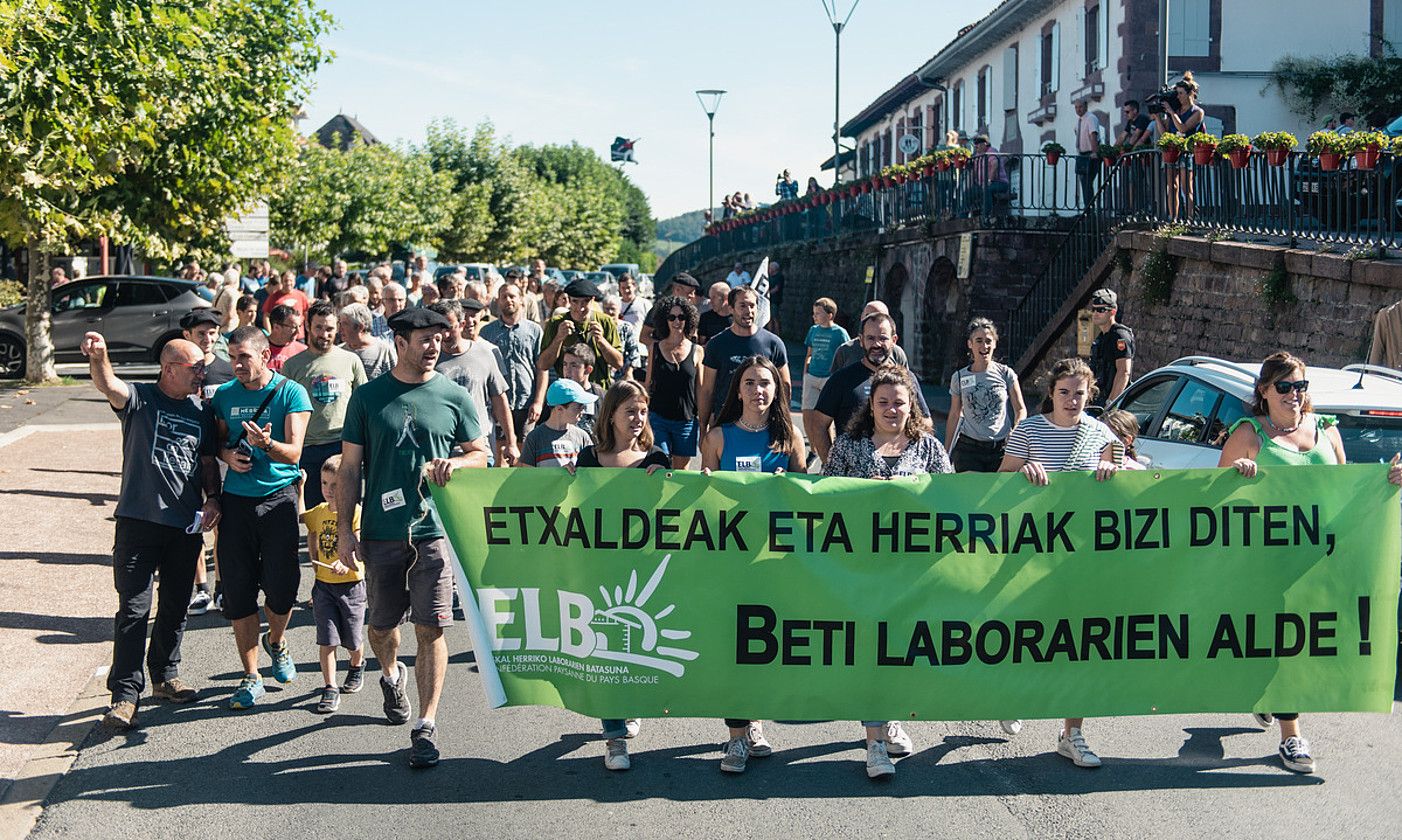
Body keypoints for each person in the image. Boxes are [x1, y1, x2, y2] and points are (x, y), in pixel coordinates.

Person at [1217, 351, 1402, 773]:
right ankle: (1292, 736)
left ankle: (1270, 696)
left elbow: (1345, 490)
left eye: (1301, 386)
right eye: (1285, 386)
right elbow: (1214, 501)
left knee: (1300, 644)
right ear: (1264, 391)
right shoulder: (1248, 434)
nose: (1295, 394)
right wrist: (1237, 475)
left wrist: (1385, 482)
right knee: (1287, 641)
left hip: (1318, 559)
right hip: (1266, 561)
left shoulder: (1326, 430)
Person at [338, 307, 490, 768]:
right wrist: (345, 529)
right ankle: (389, 672)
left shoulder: (453, 395)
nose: (434, 346)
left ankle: (426, 724)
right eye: (424, 339)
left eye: (439, 338)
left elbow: (481, 454)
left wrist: (456, 464)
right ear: (399, 342)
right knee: (382, 627)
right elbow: (348, 469)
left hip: (434, 533)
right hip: (382, 534)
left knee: (431, 627)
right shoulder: (367, 398)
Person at [83, 332, 219, 729]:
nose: (201, 374)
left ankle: (165, 676)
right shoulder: (141, 399)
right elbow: (108, 384)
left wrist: (213, 499)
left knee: (176, 606)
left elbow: (208, 461)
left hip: (184, 526)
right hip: (138, 524)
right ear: (169, 368)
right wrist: (100, 355)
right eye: (194, 368)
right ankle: (125, 696)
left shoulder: (201, 411)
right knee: (134, 610)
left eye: (202, 368)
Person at [822, 366, 951, 777]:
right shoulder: (849, 446)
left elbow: (952, 501)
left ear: (911, 403)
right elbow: (825, 499)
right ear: (870, 406)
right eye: (883, 402)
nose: (891, 409)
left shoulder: (929, 449)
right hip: (862, 569)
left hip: (912, 571)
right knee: (871, 648)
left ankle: (890, 716)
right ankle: (874, 741)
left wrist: (919, 492)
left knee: (902, 649)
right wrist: (862, 493)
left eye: (899, 401)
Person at [997, 356, 1121, 767]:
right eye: (1064, 393)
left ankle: (1073, 732)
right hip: (1032, 551)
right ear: (1050, 392)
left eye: (1080, 394)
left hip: (1081, 554)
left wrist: (1111, 470)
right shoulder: (1029, 430)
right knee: (1029, 631)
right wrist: (1022, 473)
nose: (1072, 400)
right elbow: (1000, 486)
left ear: (1091, 394)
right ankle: (1011, 694)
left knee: (1078, 642)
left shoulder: (1102, 433)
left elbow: (1120, 494)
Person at [699, 355, 804, 772]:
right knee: (732, 648)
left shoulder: (788, 437)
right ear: (737, 389)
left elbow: (808, 494)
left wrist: (790, 487)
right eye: (749, 383)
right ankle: (736, 738)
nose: (758, 390)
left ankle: (755, 722)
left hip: (774, 562)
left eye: (765, 383)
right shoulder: (718, 438)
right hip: (730, 561)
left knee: (763, 648)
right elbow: (701, 503)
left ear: (777, 390)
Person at [570, 379, 670, 771]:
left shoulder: (654, 457)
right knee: (603, 647)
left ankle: (628, 706)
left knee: (634, 648)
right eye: (629, 411)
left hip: (640, 573)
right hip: (598, 567)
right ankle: (614, 738)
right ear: (610, 415)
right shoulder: (588, 459)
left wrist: (666, 477)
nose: (637, 418)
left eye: (642, 411)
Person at [211, 326, 313, 711]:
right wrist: (227, 456)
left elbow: (294, 452)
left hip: (278, 500)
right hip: (236, 502)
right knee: (238, 593)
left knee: (283, 588)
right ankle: (251, 675)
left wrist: (266, 444)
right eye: (232, 357)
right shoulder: (223, 396)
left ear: (264, 357)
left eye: (244, 357)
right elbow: (217, 442)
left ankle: (278, 640)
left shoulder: (291, 393)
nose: (236, 364)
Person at [809, 312, 928, 463]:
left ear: (894, 340)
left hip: (899, 473)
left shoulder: (907, 379)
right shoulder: (841, 379)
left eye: (883, 338)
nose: (876, 344)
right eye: (870, 338)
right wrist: (832, 464)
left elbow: (925, 422)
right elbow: (819, 424)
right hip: (854, 474)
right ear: (861, 341)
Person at [281, 301, 368, 508]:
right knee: (315, 515)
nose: (324, 333)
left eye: (329, 328)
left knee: (347, 511)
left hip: (343, 446)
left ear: (337, 329)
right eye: (318, 327)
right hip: (308, 448)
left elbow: (364, 403)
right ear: (308, 327)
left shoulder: (351, 360)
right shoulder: (292, 365)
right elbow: (284, 409)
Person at [179, 310, 236, 614]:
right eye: (201, 333)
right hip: (186, 459)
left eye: (213, 333)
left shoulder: (227, 371)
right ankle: (199, 588)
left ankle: (222, 587)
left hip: (220, 458)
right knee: (193, 523)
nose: (209, 339)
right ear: (187, 335)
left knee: (222, 525)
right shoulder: (178, 370)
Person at [301, 454, 365, 715]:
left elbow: (360, 546)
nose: (329, 490)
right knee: (327, 639)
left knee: (352, 639)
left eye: (336, 485)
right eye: (325, 484)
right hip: (324, 586)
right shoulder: (319, 512)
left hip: (351, 586)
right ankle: (330, 687)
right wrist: (301, 488)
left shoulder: (357, 512)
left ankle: (356, 665)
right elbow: (302, 518)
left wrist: (347, 560)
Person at [431, 298, 518, 466]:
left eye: (450, 328)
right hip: (441, 448)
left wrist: (511, 442)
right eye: (439, 329)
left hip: (479, 446)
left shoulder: (485, 353)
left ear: (462, 324)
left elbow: (500, 401)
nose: (445, 335)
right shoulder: (428, 359)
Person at [697, 286, 789, 441]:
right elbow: (707, 390)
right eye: (742, 306)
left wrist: (784, 422)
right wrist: (703, 427)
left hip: (764, 424)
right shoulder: (716, 344)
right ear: (731, 308)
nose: (749, 311)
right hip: (725, 422)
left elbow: (785, 386)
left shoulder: (773, 343)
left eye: (752, 306)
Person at [945, 318, 1026, 473]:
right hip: (969, 449)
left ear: (995, 344)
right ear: (970, 344)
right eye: (979, 341)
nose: (984, 346)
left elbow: (1020, 409)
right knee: (971, 494)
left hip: (1000, 449)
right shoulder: (959, 377)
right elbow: (955, 414)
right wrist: (946, 450)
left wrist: (1016, 434)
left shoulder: (1006, 374)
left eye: (988, 341)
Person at [481, 282, 545, 456]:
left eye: (512, 296)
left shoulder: (534, 330)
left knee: (526, 452)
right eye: (504, 297)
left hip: (527, 402)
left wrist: (538, 402)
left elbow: (542, 368)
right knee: (500, 451)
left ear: (521, 300)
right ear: (498, 301)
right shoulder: (487, 333)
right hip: (499, 403)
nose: (508, 300)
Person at [646, 296, 703, 470]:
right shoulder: (654, 348)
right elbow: (648, 384)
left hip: (686, 420)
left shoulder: (697, 350)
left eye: (681, 317)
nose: (677, 321)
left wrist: (704, 421)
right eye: (671, 317)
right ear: (665, 320)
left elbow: (701, 389)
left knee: (681, 472)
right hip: (658, 417)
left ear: (688, 320)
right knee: (659, 462)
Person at [539, 277, 624, 388]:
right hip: (568, 391)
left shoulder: (605, 322)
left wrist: (601, 341)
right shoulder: (556, 323)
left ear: (593, 300)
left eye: (585, 301)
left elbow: (618, 363)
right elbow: (543, 364)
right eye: (575, 301)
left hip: (597, 390)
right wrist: (558, 338)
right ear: (569, 300)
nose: (580, 308)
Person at [1153, 71, 1204, 219]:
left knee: (1186, 187)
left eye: (1181, 93)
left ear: (1190, 94)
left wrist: (1171, 112)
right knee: (1171, 187)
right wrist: (1157, 118)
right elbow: (1166, 133)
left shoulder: (1197, 112)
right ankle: (1173, 218)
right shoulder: (1176, 111)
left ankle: (1190, 218)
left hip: (1187, 151)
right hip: (1173, 151)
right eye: (1177, 94)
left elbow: (1183, 128)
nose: (1178, 97)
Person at [518, 379, 596, 468]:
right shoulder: (534, 438)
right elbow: (528, 476)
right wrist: (559, 475)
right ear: (559, 409)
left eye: (583, 407)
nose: (582, 411)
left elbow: (591, 472)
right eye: (578, 407)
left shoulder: (582, 436)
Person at [802, 297, 851, 430]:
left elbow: (847, 354)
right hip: (812, 375)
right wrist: (805, 372)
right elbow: (809, 353)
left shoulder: (840, 333)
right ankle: (813, 448)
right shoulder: (813, 330)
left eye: (818, 313)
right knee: (807, 412)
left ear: (829, 315)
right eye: (814, 313)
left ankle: (826, 447)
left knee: (825, 415)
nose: (814, 316)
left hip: (829, 377)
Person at [1086, 289, 1134, 406]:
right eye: (1093, 309)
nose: (1095, 313)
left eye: (1101, 310)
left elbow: (1123, 372)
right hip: (1098, 399)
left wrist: (1111, 404)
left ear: (1113, 311)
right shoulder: (1102, 337)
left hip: (1112, 403)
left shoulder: (1119, 336)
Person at [831, 301, 909, 371]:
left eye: (880, 317)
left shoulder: (897, 353)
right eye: (869, 317)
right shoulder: (845, 351)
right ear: (862, 318)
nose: (876, 344)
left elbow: (906, 381)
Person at [639, 272, 701, 349]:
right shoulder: (660, 309)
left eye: (694, 293)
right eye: (689, 293)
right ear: (677, 290)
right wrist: (663, 347)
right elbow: (644, 337)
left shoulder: (691, 311)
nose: (692, 296)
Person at [340, 302, 396, 380]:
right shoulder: (339, 351)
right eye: (340, 324)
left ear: (360, 327)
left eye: (345, 324)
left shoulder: (385, 352)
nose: (340, 329)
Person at [600, 293, 642, 381]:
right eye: (606, 309)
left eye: (613, 309)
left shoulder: (626, 327)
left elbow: (634, 352)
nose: (610, 312)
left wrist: (629, 373)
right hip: (601, 374)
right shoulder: (598, 327)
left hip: (621, 375)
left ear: (619, 310)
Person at [1073, 99, 1103, 208]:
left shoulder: (1090, 118)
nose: (1078, 109)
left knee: (1087, 182)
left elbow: (1093, 135)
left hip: (1090, 154)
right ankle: (1088, 207)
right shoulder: (1079, 120)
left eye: (1080, 107)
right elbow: (1077, 132)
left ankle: (1089, 208)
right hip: (1082, 154)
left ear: (1085, 106)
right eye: (1076, 107)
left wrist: (1095, 152)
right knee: (1084, 182)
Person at [970, 135, 1010, 215]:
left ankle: (987, 214)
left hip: (999, 182)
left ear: (985, 144)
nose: (976, 146)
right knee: (969, 192)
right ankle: (967, 216)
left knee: (986, 189)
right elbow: (974, 171)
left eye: (978, 143)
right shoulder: (977, 156)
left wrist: (989, 180)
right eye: (975, 144)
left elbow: (995, 165)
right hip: (983, 184)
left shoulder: (991, 151)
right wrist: (972, 184)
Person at [265, 305, 306, 373]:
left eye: (299, 326)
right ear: (276, 327)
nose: (298, 332)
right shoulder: (258, 348)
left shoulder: (302, 351)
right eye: (293, 327)